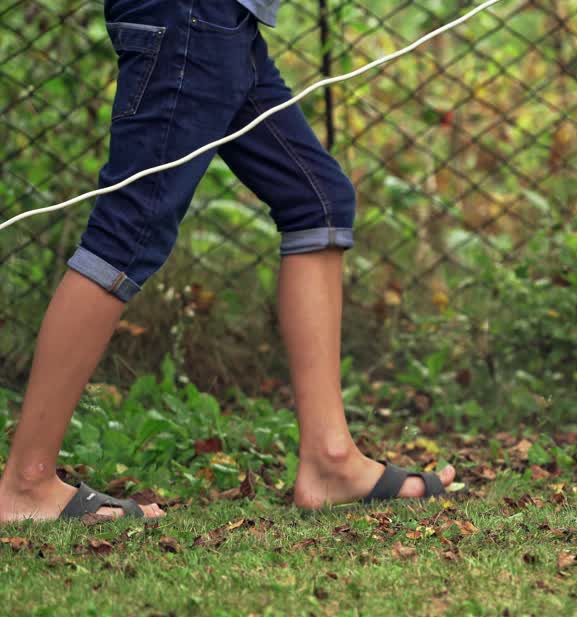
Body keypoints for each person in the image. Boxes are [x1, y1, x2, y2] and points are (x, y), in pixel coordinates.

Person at [0, 0, 458, 523]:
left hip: (222, 20)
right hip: (191, 17)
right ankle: (26, 483)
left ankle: (330, 461)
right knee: (130, 228)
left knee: (317, 201)